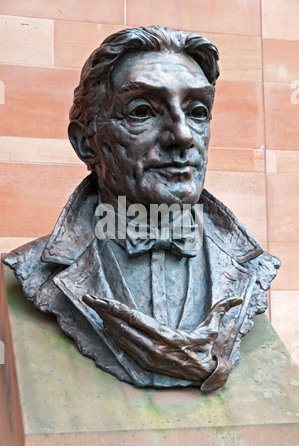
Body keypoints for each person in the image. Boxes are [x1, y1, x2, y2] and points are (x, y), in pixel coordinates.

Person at [3, 26, 280, 391]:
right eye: (142, 111)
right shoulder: (35, 271)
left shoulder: (250, 266)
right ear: (86, 142)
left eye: (197, 111)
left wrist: (214, 368)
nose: (181, 135)